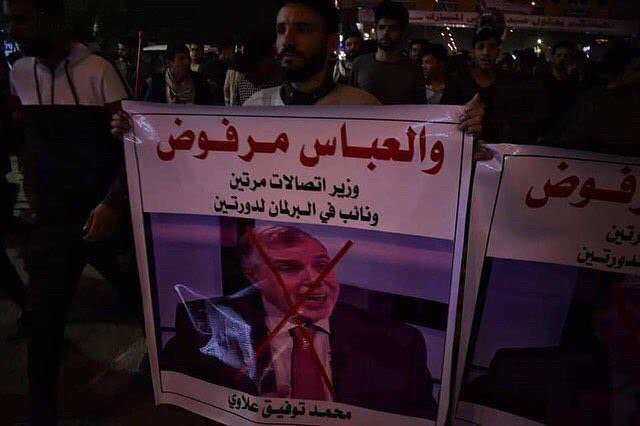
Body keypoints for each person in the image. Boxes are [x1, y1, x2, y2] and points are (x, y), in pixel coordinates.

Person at [4, 0, 139, 423]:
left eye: (22, 19)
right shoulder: (19, 73)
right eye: (9, 20)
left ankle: (178, 376)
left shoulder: (99, 71)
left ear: (53, 20)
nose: (13, 28)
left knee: (141, 300)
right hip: (52, 221)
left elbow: (132, 144)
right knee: (43, 322)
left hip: (103, 218)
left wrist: (112, 204)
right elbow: (23, 138)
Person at [162, 225, 438, 419]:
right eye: (289, 268)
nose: (316, 280)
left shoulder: (397, 342)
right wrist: (243, 417)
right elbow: (174, 412)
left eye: (322, 265)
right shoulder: (206, 326)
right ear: (253, 276)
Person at [112, 0, 483, 139]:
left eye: (302, 29)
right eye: (281, 30)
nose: (287, 40)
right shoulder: (254, 109)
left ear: (329, 40)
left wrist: (459, 139)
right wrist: (143, 133)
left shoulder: (364, 109)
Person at [348, 1, 426, 105]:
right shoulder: (359, 64)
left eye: (392, 28)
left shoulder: (414, 69)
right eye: (381, 27)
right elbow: (350, 103)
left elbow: (420, 108)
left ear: (402, 32)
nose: (385, 33)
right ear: (375, 29)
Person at [145, 41, 217, 105]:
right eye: (181, 58)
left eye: (188, 58)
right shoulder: (155, 83)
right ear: (169, 63)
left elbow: (209, 107)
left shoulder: (200, 81)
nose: (187, 62)